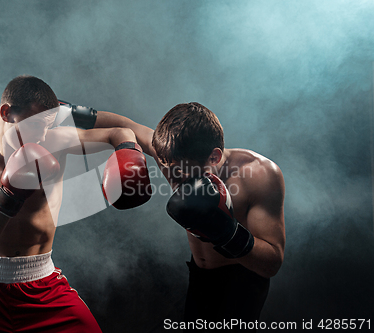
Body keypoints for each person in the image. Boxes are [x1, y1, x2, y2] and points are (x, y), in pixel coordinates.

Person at [0, 75, 151, 333]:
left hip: (43, 288)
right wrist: (10, 194)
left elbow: (120, 131)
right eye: (35, 125)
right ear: (6, 113)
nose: (42, 136)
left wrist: (127, 149)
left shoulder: (56, 142)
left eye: (47, 125)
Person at [89, 102, 285, 330]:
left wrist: (225, 231)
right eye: (167, 170)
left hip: (242, 281)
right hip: (199, 276)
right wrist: (62, 112)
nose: (173, 183)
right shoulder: (171, 155)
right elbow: (124, 123)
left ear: (214, 157)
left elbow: (272, 263)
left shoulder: (259, 175)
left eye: (181, 175)